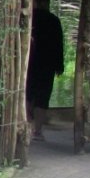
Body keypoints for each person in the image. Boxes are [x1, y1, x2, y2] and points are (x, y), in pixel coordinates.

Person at [26, 8, 65, 139]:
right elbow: (59, 44)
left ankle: (28, 126)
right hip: (47, 64)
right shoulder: (53, 20)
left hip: (30, 63)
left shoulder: (30, 18)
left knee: (28, 94)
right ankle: (37, 130)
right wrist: (59, 65)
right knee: (42, 97)